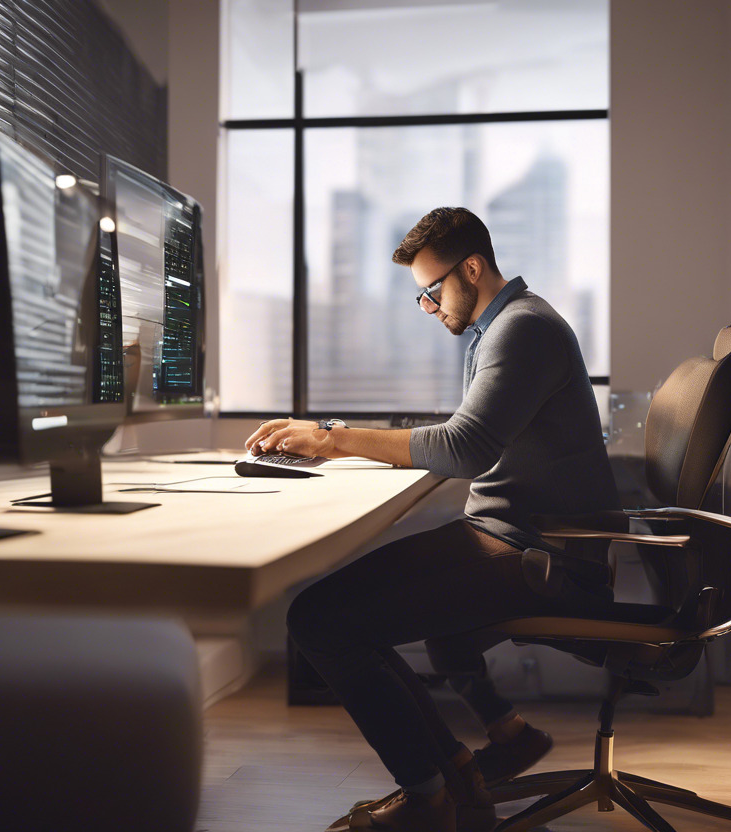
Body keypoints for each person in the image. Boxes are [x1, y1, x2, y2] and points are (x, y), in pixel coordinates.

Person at [249, 207, 620, 832]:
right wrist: (349, 441)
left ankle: (428, 798)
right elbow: (466, 437)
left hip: (539, 552)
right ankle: (454, 772)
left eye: (431, 290)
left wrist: (333, 439)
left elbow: (465, 448)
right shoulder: (502, 329)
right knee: (341, 614)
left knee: (319, 619)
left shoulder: (522, 330)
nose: (427, 307)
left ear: (471, 268)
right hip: (517, 534)